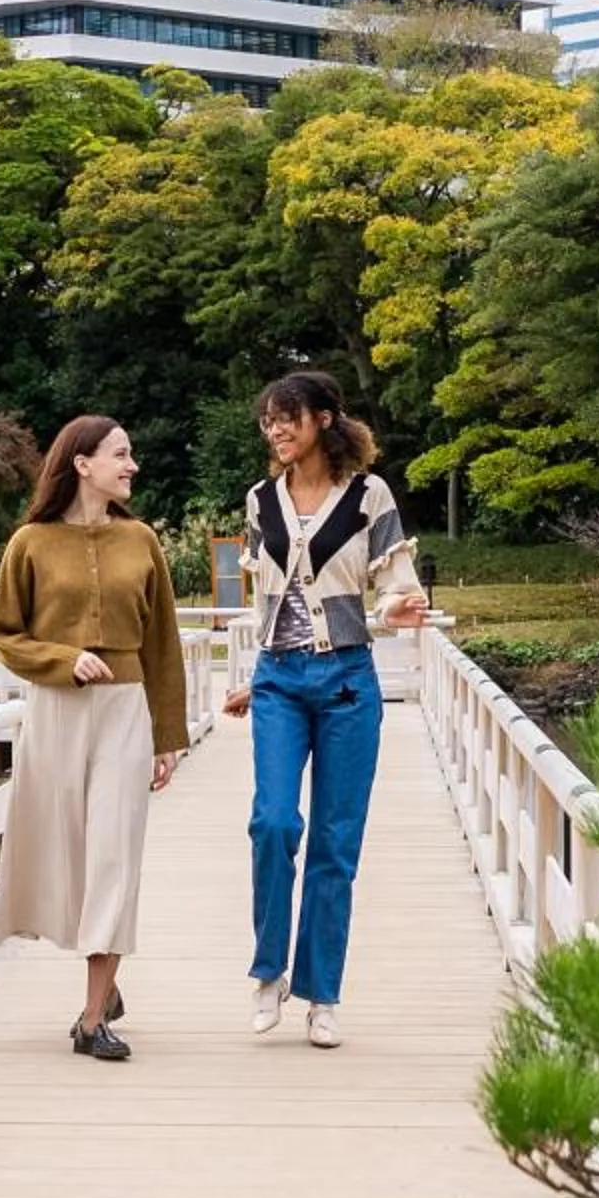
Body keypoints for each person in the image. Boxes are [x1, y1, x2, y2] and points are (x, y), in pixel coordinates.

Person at [222, 372, 427, 1047]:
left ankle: (322, 994)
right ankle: (267, 972)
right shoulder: (261, 501)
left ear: (324, 419)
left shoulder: (370, 496)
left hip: (346, 680)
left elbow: (395, 584)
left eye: (287, 418)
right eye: (267, 421)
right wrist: (251, 676)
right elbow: (264, 602)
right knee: (273, 823)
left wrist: (403, 606)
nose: (276, 430)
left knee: (336, 845)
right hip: (279, 678)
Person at [0, 416, 191, 1062]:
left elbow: (163, 645)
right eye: (120, 455)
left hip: (126, 712)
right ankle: (108, 978)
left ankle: (92, 1017)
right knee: (62, 856)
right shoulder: (30, 543)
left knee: (114, 856)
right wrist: (61, 659)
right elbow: (5, 634)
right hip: (55, 711)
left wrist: (168, 736)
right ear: (82, 463)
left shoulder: (143, 541)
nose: (132, 466)